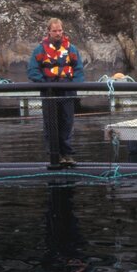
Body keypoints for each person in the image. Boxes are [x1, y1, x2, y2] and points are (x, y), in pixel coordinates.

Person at [27, 18, 85, 167]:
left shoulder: (71, 49)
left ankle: (67, 154)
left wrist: (74, 85)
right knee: (50, 124)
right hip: (49, 91)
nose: (58, 33)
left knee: (67, 122)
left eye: (60, 30)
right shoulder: (40, 50)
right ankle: (55, 154)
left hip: (67, 90)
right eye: (55, 31)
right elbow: (33, 70)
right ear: (49, 32)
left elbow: (78, 69)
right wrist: (44, 84)